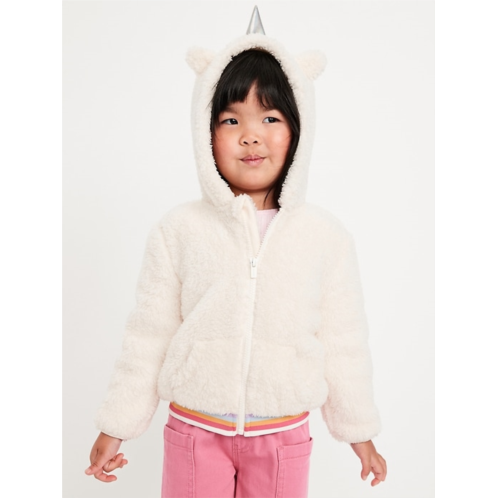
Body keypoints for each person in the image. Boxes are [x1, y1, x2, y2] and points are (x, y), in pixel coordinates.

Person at [85, 8, 387, 497]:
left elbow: (343, 342)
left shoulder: (325, 237)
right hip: (195, 430)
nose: (251, 135)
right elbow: (148, 335)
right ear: (205, 133)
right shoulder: (179, 230)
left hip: (283, 434)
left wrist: (360, 433)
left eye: (270, 117)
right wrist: (116, 424)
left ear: (299, 131)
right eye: (231, 119)